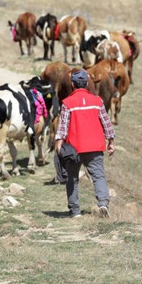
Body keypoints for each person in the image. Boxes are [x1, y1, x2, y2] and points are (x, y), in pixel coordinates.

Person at [54, 70, 115, 218]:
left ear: (73, 84)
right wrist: (111, 141)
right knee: (99, 176)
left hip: (74, 148)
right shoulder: (97, 101)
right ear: (87, 84)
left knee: (72, 179)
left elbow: (63, 127)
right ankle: (102, 204)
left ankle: (75, 211)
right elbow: (107, 123)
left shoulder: (67, 103)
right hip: (95, 146)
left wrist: (58, 145)